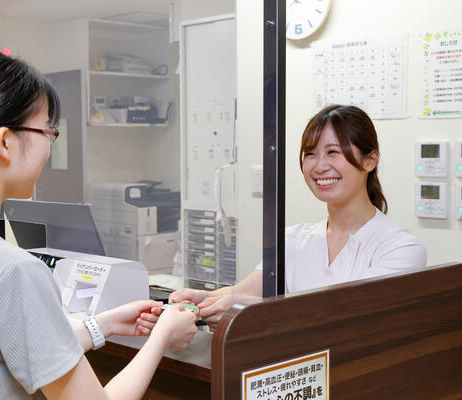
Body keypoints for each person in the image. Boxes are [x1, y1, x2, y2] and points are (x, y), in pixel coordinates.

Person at [0, 49, 197, 400]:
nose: (49, 146)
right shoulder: (13, 272)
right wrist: (162, 337)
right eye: (47, 131)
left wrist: (102, 326)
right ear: (4, 142)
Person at [167, 105, 427, 329]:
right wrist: (202, 298)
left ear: (370, 161)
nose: (320, 165)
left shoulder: (401, 249)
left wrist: (244, 305)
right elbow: (245, 291)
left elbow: (346, 317)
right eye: (310, 153)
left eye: (333, 152)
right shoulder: (292, 240)